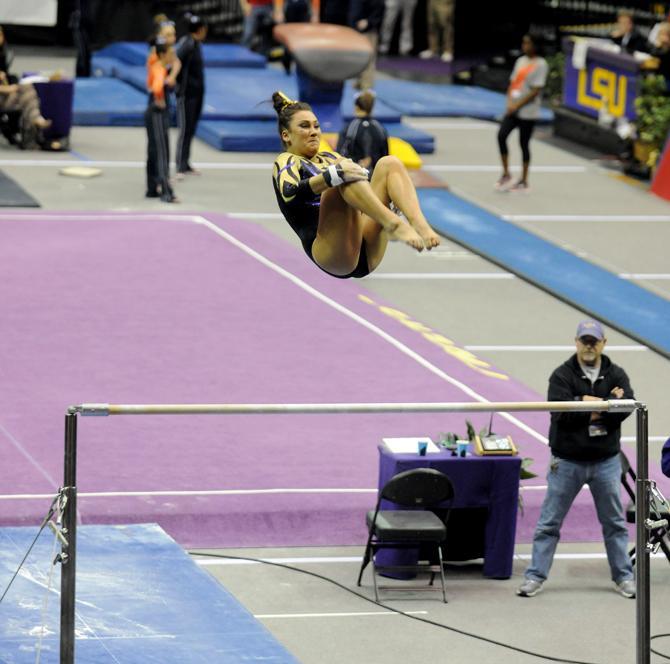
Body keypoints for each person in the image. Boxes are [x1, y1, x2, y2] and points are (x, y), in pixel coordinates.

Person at [517, 320, 636, 600]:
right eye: (585, 341)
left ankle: (623, 576)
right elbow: (562, 414)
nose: (589, 346)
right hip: (566, 462)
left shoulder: (617, 374)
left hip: (606, 462)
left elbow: (625, 408)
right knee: (549, 523)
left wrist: (582, 402)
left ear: (604, 343)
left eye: (594, 341)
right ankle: (535, 576)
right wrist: (605, 403)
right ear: (576, 342)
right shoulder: (561, 375)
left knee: (615, 524)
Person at [271, 91, 440, 279]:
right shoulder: (288, 160)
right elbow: (290, 193)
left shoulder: (330, 157)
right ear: (286, 135)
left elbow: (361, 188)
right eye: (304, 126)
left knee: (389, 163)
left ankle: (419, 223)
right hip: (331, 253)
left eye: (316, 126)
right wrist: (332, 176)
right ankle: (393, 223)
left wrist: (388, 193)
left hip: (364, 246)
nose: (313, 131)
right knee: (341, 176)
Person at [495, 34, 548, 193]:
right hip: (513, 109)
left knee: (523, 144)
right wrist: (509, 102)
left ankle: (524, 180)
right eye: (523, 43)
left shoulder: (541, 64)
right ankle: (506, 173)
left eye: (528, 43)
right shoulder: (520, 61)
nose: (525, 46)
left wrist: (517, 105)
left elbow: (535, 90)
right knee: (501, 136)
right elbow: (513, 83)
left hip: (528, 112)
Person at [0, 26, 52, 148]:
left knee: (27, 90)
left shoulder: (2, 55)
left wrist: (7, 84)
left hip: (4, 95)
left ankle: (33, 128)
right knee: (24, 95)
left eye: (1, 34)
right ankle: (36, 121)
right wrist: (8, 89)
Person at [145, 38, 177, 203]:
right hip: (157, 112)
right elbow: (157, 87)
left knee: (153, 150)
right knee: (162, 151)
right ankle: (166, 191)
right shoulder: (159, 69)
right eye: (170, 53)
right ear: (163, 54)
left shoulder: (155, 64)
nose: (173, 56)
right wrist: (160, 100)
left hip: (151, 112)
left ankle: (151, 188)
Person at [175, 14, 208, 178]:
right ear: (201, 30)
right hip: (187, 94)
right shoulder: (187, 45)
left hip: (197, 93)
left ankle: (185, 163)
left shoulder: (195, 44)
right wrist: (176, 83)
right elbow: (175, 61)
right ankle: (180, 165)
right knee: (185, 129)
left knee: (191, 129)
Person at [336, 90, 389, 173]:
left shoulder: (350, 128)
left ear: (356, 107)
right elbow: (386, 158)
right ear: (372, 108)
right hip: (376, 176)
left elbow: (340, 155)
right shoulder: (380, 129)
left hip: (353, 175)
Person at [348, 0, 384, 90]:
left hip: (368, 31)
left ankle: (367, 87)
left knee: (368, 60)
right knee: (357, 59)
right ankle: (359, 81)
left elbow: (380, 7)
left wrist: (369, 22)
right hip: (355, 29)